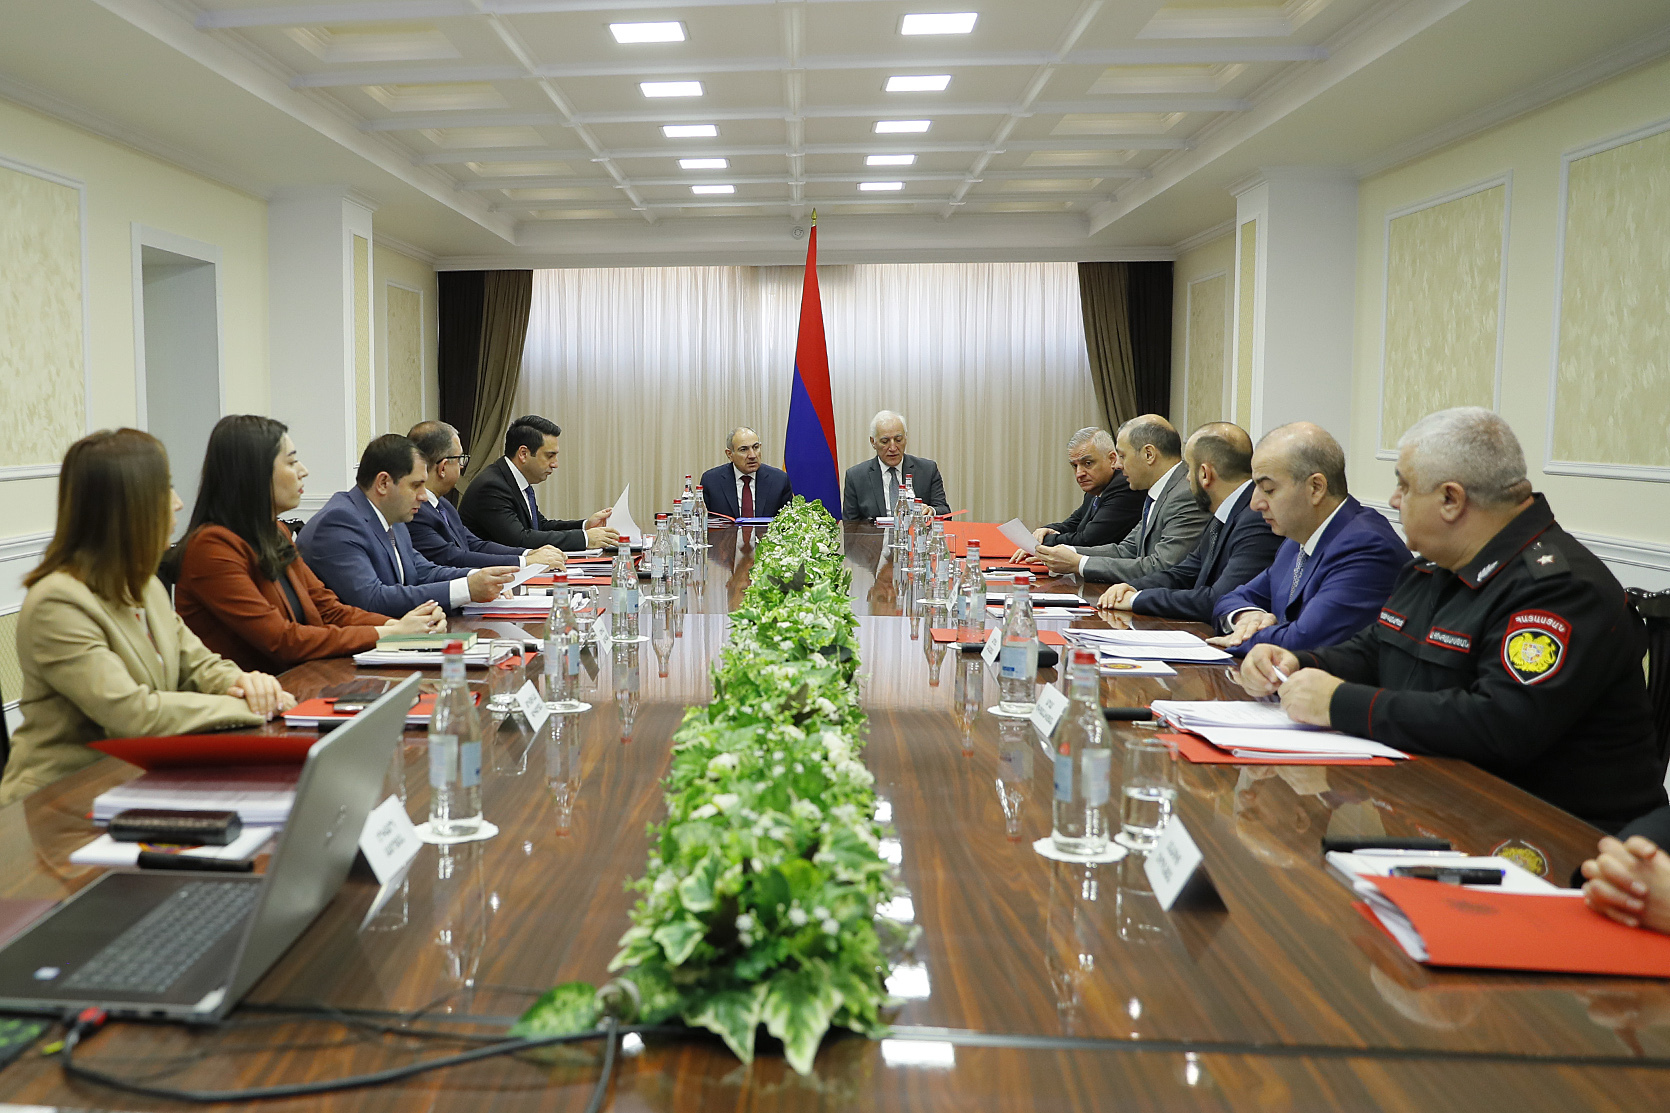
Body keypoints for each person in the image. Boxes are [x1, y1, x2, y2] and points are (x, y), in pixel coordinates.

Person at [1239, 407, 1666, 832]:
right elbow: (1376, 648)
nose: (1394, 500)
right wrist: (1299, 663)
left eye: (1404, 486)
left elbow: (1501, 725)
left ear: (1451, 500)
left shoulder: (1559, 588)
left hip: (1553, 834)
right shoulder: (1433, 567)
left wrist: (1339, 703)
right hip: (1436, 806)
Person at [1, 429, 293, 806]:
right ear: (130, 508)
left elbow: (199, 665)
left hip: (135, 782)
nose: (178, 503)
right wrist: (248, 706)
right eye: (166, 489)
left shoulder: (145, 585)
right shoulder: (57, 603)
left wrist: (245, 683)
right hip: (60, 801)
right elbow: (132, 715)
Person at [173, 416, 446, 673]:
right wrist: (389, 633)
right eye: (291, 462)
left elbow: (328, 609)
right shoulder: (211, 548)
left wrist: (405, 625)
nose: (303, 471)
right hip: (253, 695)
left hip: (298, 681)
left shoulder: (276, 531)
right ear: (254, 472)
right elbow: (282, 640)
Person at [1209, 422, 1407, 653]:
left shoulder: (1367, 547)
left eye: (1269, 489)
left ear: (1316, 488)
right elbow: (1232, 598)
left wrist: (1243, 638)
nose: (1255, 504)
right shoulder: (1296, 541)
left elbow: (1303, 641)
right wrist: (1246, 616)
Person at [298, 434, 516, 615]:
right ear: (383, 483)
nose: (423, 496)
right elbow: (372, 600)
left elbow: (423, 572)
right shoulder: (338, 522)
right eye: (415, 485)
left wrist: (477, 577)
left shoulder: (393, 517)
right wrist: (466, 589)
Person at [1096, 422, 1279, 623]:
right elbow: (1185, 572)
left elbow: (1218, 599)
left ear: (1204, 474)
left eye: (1189, 469)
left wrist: (1136, 599)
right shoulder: (1225, 513)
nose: (1187, 479)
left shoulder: (1256, 520)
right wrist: (1133, 587)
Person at [1035, 415, 1208, 584]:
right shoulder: (1159, 491)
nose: (1118, 465)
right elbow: (1126, 550)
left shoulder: (1185, 494)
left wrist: (1080, 563)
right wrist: (1065, 552)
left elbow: (1163, 567)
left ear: (1149, 454)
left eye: (1123, 456)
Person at [407, 420, 566, 571]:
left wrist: (528, 554)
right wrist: (525, 562)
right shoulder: (416, 511)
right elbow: (452, 557)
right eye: (460, 459)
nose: (462, 467)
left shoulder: (444, 506)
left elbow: (476, 544)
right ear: (443, 468)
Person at [458, 415, 618, 552]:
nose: (555, 464)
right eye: (550, 456)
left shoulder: (515, 480)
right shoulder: (492, 486)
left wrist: (585, 526)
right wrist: (584, 538)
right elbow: (519, 539)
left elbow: (540, 526)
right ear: (523, 454)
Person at [1011, 427, 1142, 561]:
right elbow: (1072, 524)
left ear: (1112, 459)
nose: (1079, 473)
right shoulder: (1095, 489)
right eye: (1075, 466)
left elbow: (1089, 540)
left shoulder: (1125, 486)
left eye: (1088, 463)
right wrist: (1045, 531)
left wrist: (1043, 542)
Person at [841, 410, 950, 519]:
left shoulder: (927, 470)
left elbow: (945, 512)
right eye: (885, 441)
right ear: (873, 442)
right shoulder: (856, 477)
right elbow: (849, 523)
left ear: (905, 438)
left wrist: (931, 511)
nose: (893, 448)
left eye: (898, 440)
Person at [701, 427, 795, 519]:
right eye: (743, 449)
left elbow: (789, 521)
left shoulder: (779, 480)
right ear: (729, 454)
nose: (752, 455)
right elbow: (703, 521)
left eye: (755, 447)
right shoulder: (711, 481)